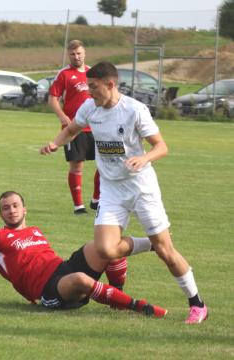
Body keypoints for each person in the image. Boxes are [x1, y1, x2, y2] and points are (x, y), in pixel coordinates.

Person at [40, 61, 207, 324]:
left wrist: (144, 158)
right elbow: (71, 130)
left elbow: (161, 146)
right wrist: (54, 142)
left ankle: (197, 304)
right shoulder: (89, 107)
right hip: (111, 190)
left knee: (167, 252)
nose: (89, 93)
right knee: (106, 249)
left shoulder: (134, 110)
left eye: (93, 87)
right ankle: (149, 243)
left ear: (110, 84)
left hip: (141, 188)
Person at [0, 191, 167, 318]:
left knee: (104, 247)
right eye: (6, 208)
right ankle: (137, 306)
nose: (11, 210)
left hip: (63, 268)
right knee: (81, 279)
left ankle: (153, 245)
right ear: (0, 214)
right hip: (47, 290)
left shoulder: (34, 230)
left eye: (15, 206)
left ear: (25, 209)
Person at [49, 40, 100, 215]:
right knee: (77, 167)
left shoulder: (92, 73)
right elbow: (52, 98)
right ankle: (78, 206)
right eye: (72, 54)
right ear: (68, 55)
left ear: (84, 53)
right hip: (74, 129)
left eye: (79, 53)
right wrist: (63, 117)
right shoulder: (64, 74)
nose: (76, 56)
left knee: (104, 164)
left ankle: (96, 200)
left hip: (95, 128)